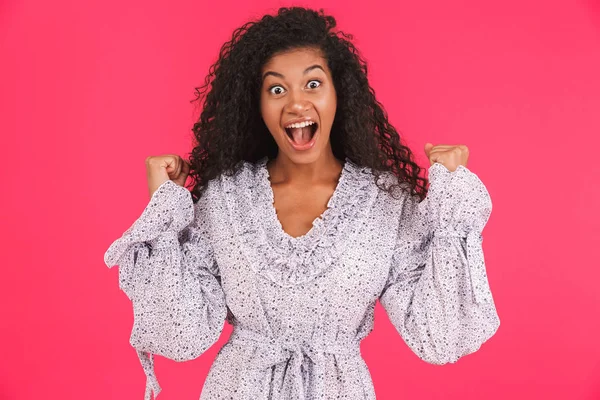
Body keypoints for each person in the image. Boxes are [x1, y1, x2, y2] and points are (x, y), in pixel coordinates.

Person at [104, 6, 500, 400]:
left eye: (313, 84)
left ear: (337, 94)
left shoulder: (386, 202)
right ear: (256, 106)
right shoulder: (223, 199)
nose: (296, 104)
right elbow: (179, 336)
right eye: (277, 89)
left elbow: (440, 335)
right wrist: (163, 212)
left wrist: (453, 207)